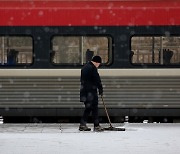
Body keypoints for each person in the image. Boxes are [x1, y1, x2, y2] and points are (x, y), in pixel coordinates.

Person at [79, 55, 104, 131]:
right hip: (91, 92)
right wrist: (100, 89)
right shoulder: (93, 68)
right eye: (99, 64)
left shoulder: (85, 67)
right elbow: (97, 79)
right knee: (94, 109)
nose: (98, 66)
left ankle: (82, 125)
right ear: (97, 62)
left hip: (85, 92)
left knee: (88, 108)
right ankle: (96, 126)